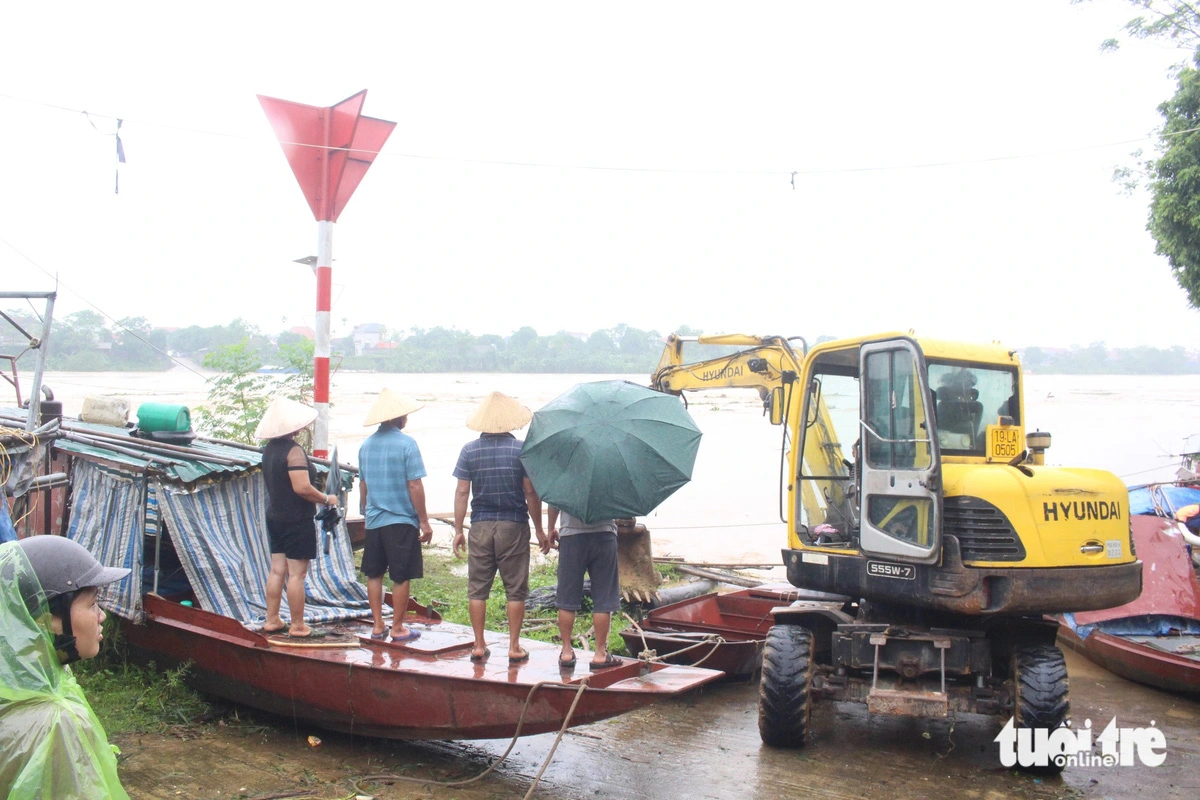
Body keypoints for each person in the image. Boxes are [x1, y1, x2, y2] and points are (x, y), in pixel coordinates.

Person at [0, 535, 132, 799]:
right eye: (93, 603)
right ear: (45, 622)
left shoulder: (13, 691)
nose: (102, 615)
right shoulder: (56, 726)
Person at [451, 391, 549, 663]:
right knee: (515, 589)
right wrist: (540, 529)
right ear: (510, 422)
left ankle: (479, 645)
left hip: (480, 525)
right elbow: (531, 494)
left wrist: (459, 530)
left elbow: (461, 492)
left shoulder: (469, 450)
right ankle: (514, 646)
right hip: (513, 525)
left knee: (477, 588)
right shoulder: (521, 451)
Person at [256, 397, 338, 638]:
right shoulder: (294, 452)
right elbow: (302, 487)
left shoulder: (269, 451)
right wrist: (326, 499)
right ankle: (298, 625)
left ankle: (272, 619)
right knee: (297, 574)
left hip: (275, 517)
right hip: (296, 519)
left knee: (277, 570)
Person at [359, 388, 434, 642]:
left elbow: (364, 485)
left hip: (375, 520)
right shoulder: (407, 444)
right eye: (405, 415)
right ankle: (398, 627)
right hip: (401, 520)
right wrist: (423, 520)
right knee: (401, 575)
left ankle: (378, 625)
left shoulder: (366, 445)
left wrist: (365, 512)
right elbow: (414, 485)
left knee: (374, 573)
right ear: (398, 418)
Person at [548, 507, 622, 671]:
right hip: (604, 535)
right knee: (604, 597)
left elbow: (554, 502)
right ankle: (600, 654)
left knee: (567, 598)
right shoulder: (610, 479)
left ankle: (566, 652)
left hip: (571, 537)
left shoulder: (563, 479)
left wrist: (550, 528)